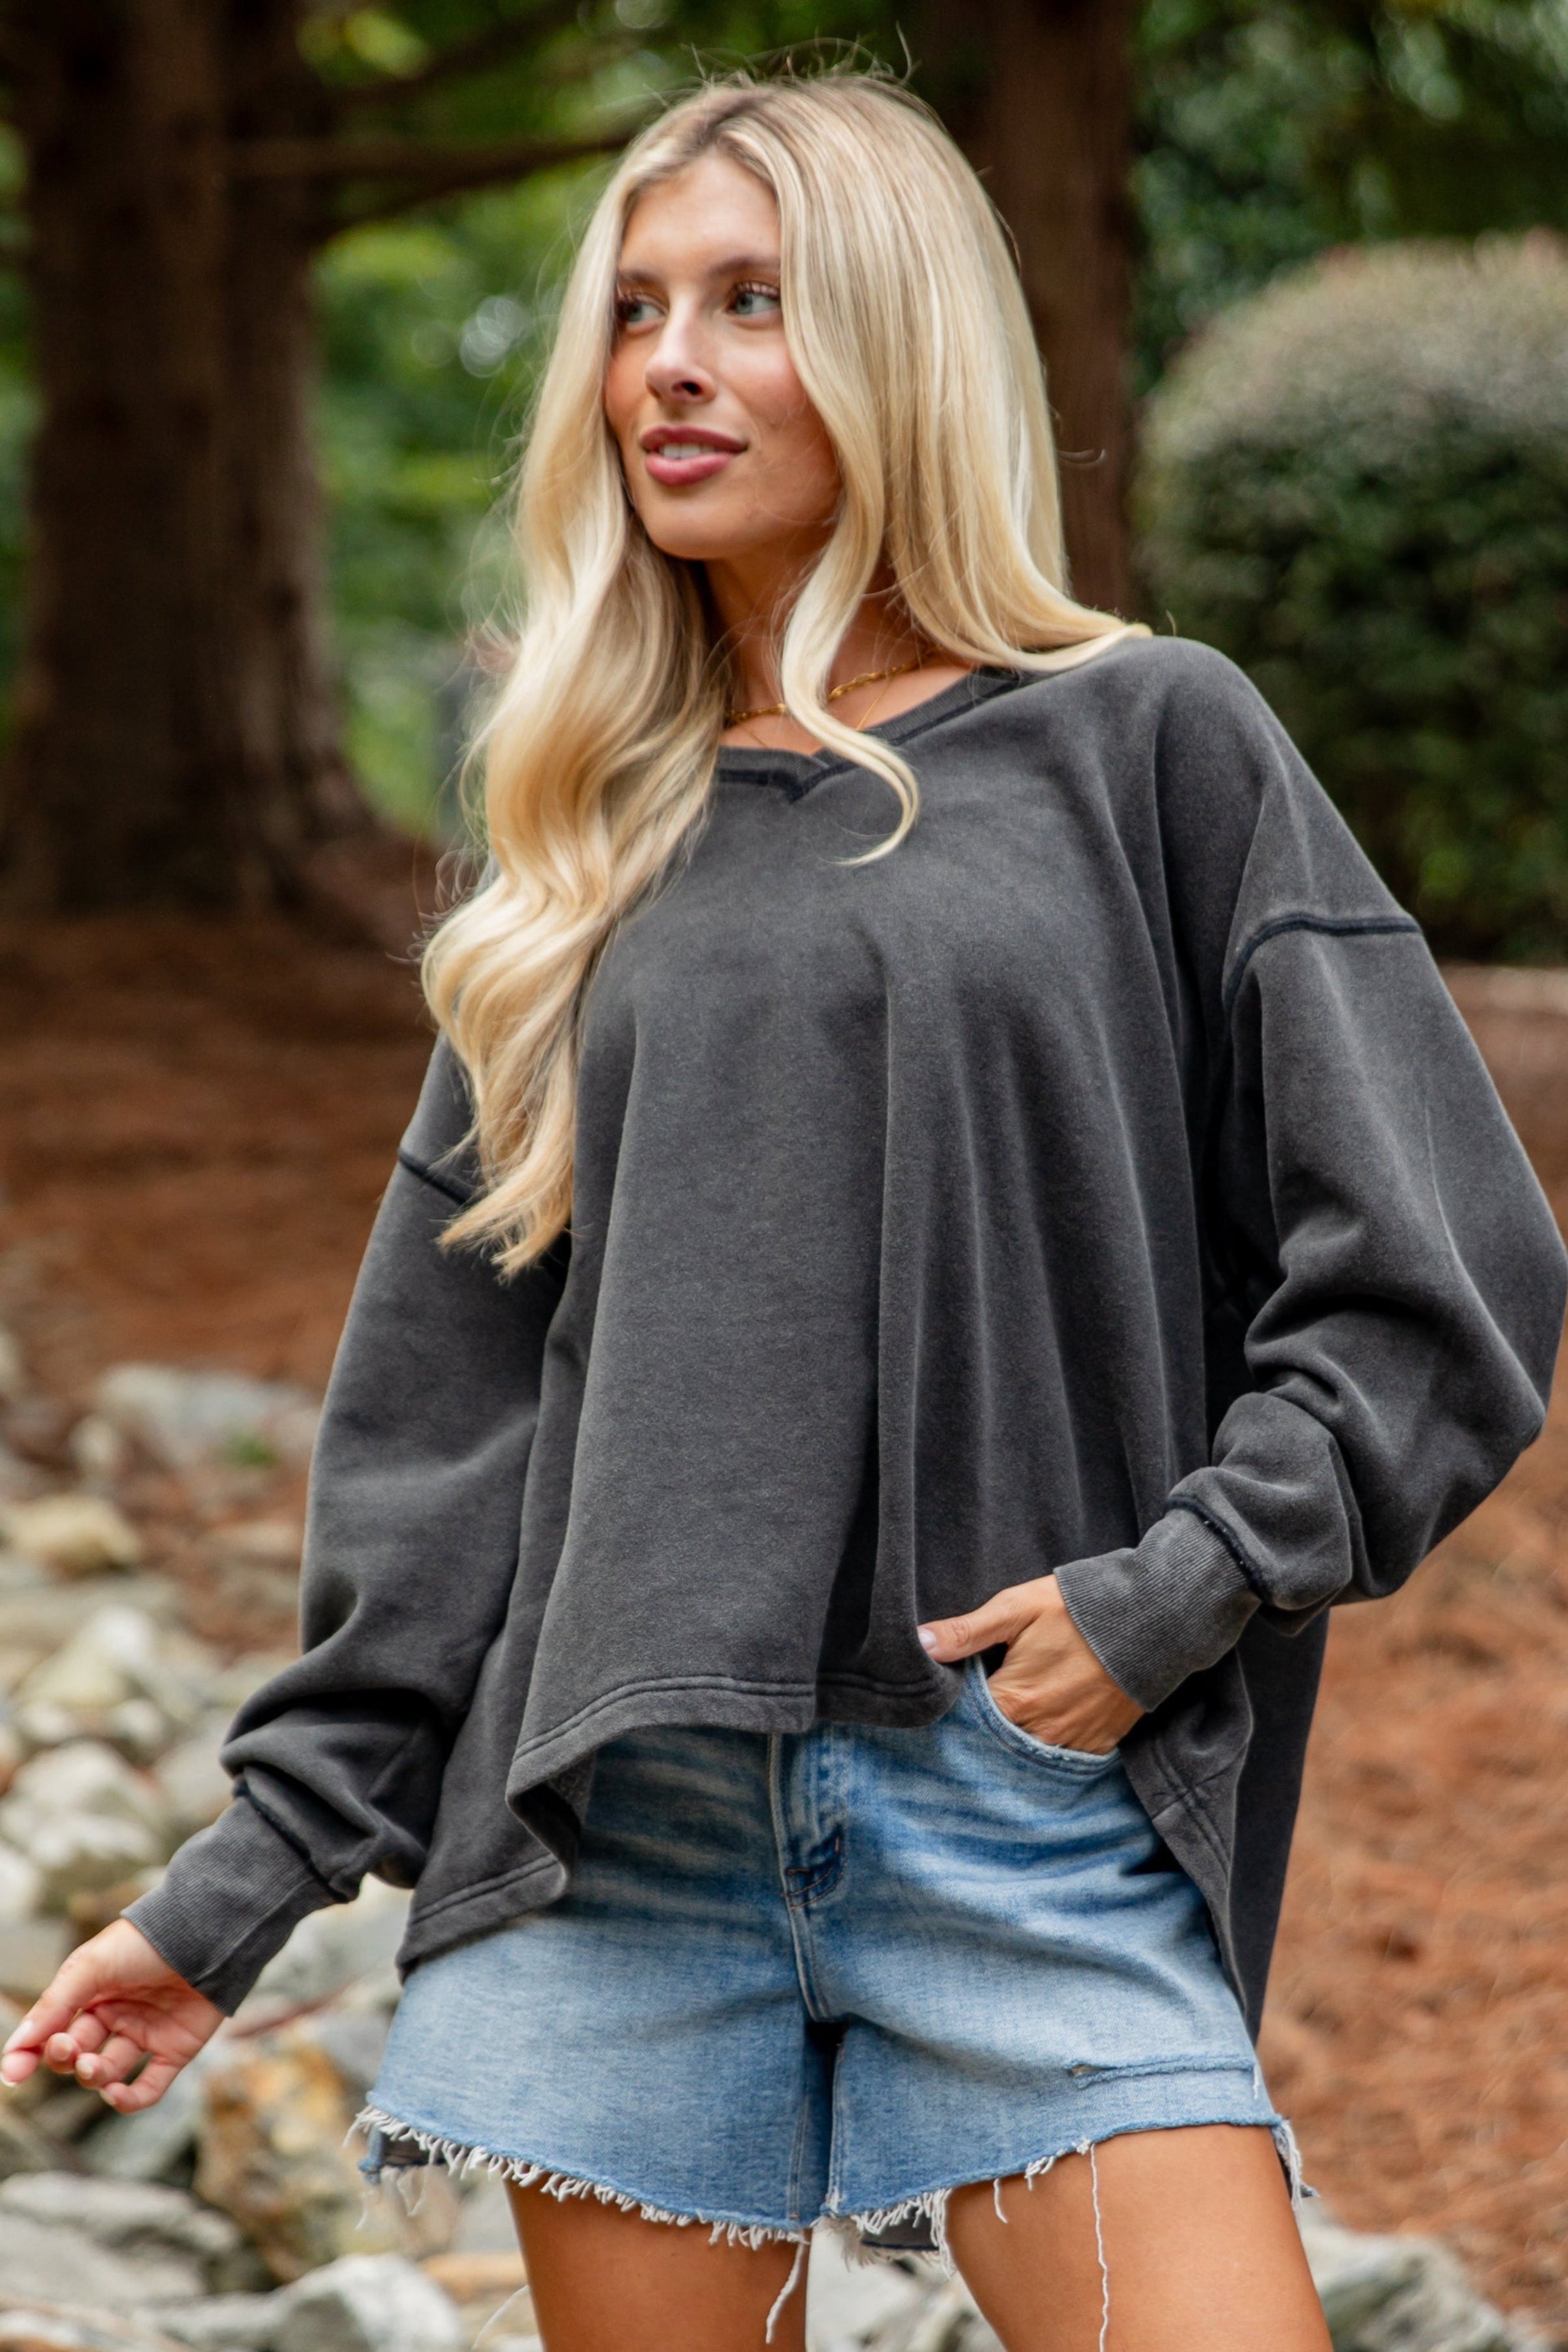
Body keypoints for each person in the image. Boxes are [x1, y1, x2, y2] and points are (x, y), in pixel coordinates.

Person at [3, 71, 1562, 2352]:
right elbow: (447, 1438)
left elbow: (1442, 1265)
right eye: (636, 309)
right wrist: (239, 1882)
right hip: (616, 1841)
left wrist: (1178, 1590)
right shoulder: (579, 843)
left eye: (752, 301)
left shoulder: (1150, 743)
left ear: (903, 344)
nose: (670, 363)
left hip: (1019, 1810)